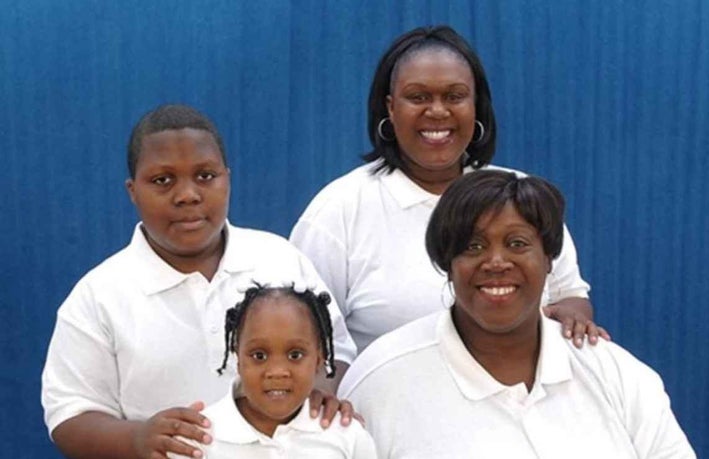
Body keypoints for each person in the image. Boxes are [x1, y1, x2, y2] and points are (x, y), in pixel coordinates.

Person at [41, 104, 357, 459]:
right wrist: (137, 439)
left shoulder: (279, 260)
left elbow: (337, 352)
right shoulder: (100, 295)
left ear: (228, 178)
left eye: (205, 176)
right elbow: (69, 415)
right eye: (163, 180)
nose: (188, 195)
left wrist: (320, 391)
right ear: (133, 190)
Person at [290, 25, 608, 354]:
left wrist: (574, 317)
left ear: (476, 106)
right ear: (390, 107)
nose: (438, 111)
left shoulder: (518, 195)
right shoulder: (339, 209)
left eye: (454, 96)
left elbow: (569, 295)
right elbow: (307, 338)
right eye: (418, 97)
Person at [338, 170, 695, 458]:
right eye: (473, 246)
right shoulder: (382, 381)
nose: (496, 262)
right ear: (448, 263)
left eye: (517, 244)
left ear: (550, 258)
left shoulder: (616, 374)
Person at [169, 283, 377, 458]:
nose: (277, 371)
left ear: (318, 359)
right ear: (237, 358)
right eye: (259, 356)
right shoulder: (198, 438)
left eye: (295, 355)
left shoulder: (346, 435)